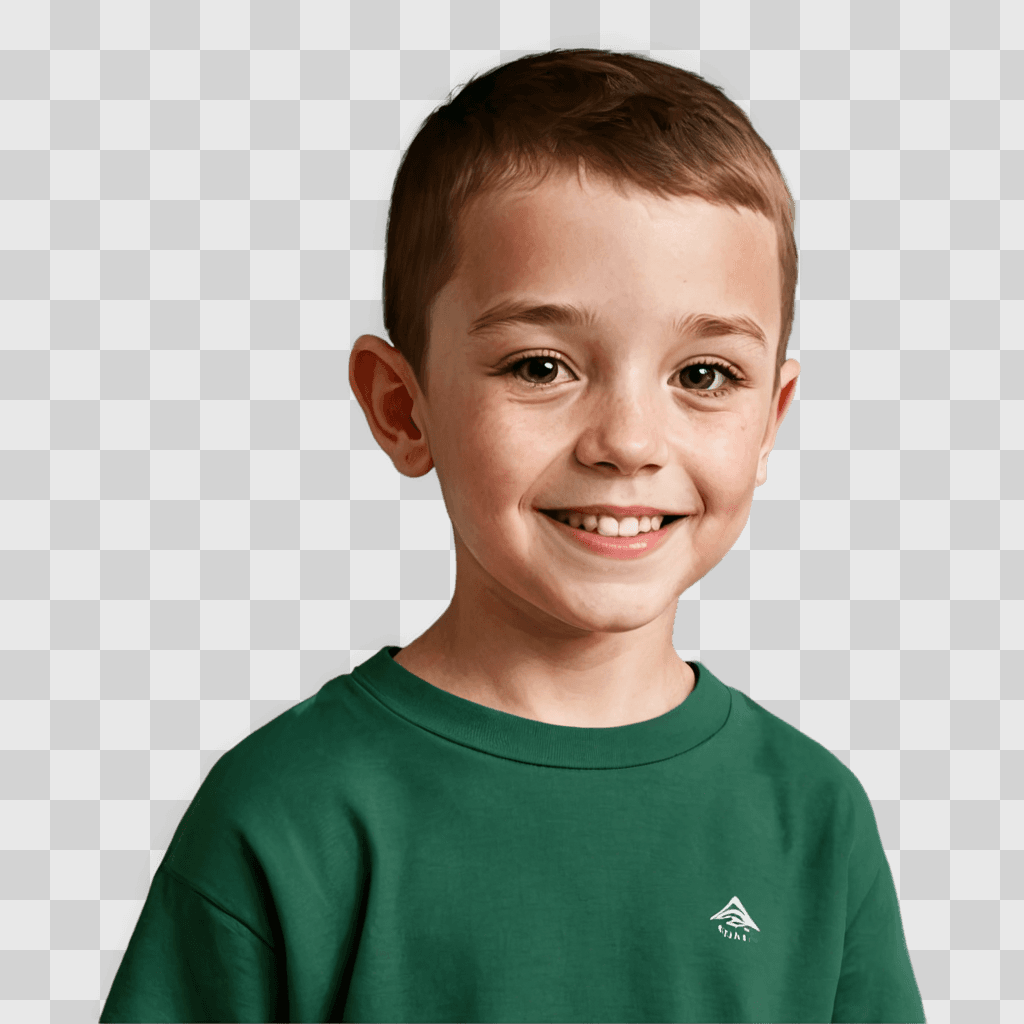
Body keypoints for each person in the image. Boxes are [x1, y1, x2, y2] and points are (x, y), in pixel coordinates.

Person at [99, 49, 926, 1023]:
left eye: (702, 375)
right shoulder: (288, 810)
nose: (627, 441)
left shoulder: (811, 815)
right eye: (540, 365)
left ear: (771, 419)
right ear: (403, 408)